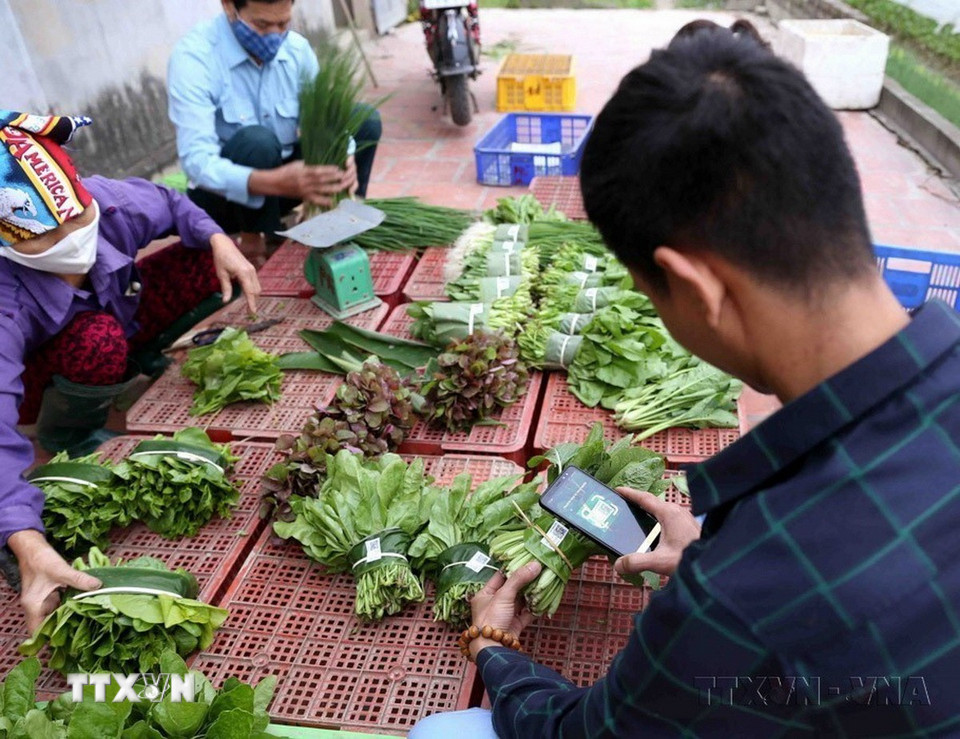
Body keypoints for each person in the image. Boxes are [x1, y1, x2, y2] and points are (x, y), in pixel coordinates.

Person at [410, 24, 960, 738]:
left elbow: (587, 732)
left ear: (696, 289)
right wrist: (709, 548)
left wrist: (495, 648)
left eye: (650, 293)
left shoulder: (747, 590)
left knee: (439, 733)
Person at [0, 110, 261, 632]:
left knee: (201, 261)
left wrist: (218, 240)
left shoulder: (104, 206)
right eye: (45, 235)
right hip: (46, 373)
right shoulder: (5, 302)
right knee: (99, 342)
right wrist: (25, 540)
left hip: (123, 307)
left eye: (76, 217)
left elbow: (169, 203)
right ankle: (68, 427)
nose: (72, 237)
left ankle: (129, 364)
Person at [167, 0, 382, 262]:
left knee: (364, 120)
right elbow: (196, 163)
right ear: (228, 6)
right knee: (257, 141)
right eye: (261, 24)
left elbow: (323, 123)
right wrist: (276, 181)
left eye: (282, 23)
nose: (274, 35)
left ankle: (344, 215)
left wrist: (343, 153)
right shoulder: (195, 58)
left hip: (288, 187)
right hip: (225, 201)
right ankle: (254, 238)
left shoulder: (296, 49)